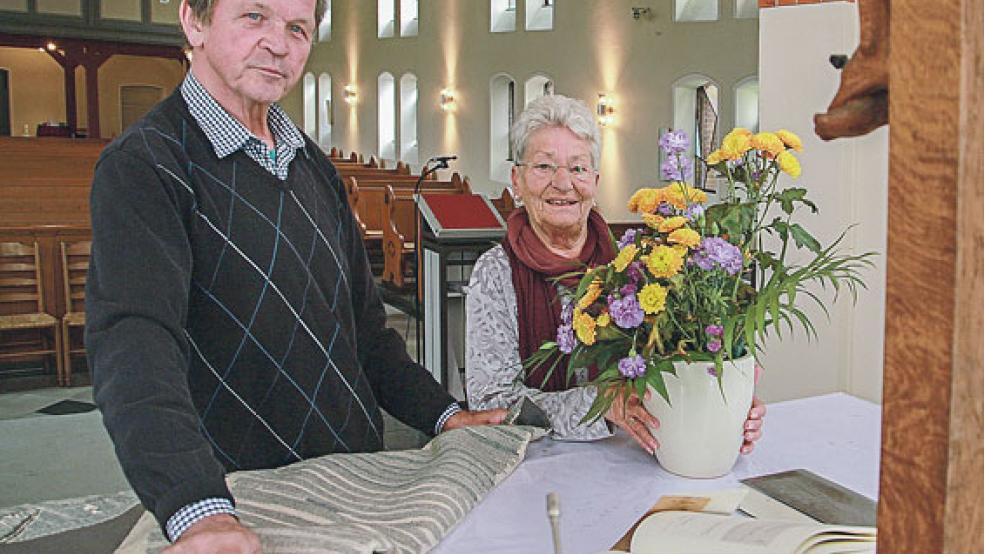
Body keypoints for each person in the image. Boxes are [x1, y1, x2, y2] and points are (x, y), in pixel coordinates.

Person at [85, 0, 505, 551]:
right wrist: (196, 508)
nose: (279, 44)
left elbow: (367, 334)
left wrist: (444, 415)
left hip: (354, 483)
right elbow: (136, 346)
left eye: (298, 28)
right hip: (241, 499)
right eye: (254, 16)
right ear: (194, 20)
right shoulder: (147, 164)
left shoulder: (311, 165)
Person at [465, 94, 765, 454]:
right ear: (517, 180)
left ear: (595, 181)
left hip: (639, 453)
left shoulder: (635, 262)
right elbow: (492, 403)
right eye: (544, 166)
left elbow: (679, 361)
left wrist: (725, 398)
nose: (563, 183)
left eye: (578, 168)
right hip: (535, 461)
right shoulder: (496, 273)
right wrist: (601, 404)